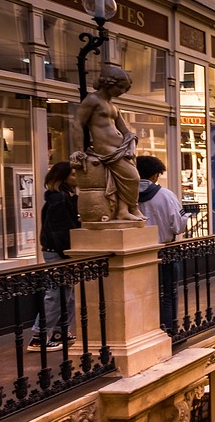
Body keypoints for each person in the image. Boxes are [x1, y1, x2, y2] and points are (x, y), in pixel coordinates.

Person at [75, 64, 145, 222]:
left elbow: (125, 130)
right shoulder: (93, 100)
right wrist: (79, 150)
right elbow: (78, 123)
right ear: (109, 83)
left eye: (125, 89)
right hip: (105, 148)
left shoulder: (114, 106)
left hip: (121, 148)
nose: (121, 92)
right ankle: (132, 207)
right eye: (120, 87)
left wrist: (130, 141)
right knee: (133, 178)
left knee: (126, 180)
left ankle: (123, 210)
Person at [31, 162, 80, 351]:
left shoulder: (65, 196)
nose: (77, 177)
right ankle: (39, 336)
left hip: (61, 252)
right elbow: (60, 230)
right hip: (58, 253)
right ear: (63, 177)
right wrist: (67, 252)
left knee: (68, 294)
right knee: (57, 293)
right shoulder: (58, 199)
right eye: (73, 174)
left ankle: (60, 331)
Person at [137, 155, 188, 330]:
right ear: (154, 175)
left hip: (138, 253)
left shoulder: (126, 196)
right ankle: (168, 329)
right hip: (165, 251)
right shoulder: (165, 195)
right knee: (168, 292)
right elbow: (178, 225)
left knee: (142, 294)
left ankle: (145, 330)